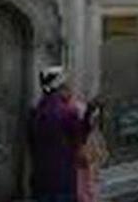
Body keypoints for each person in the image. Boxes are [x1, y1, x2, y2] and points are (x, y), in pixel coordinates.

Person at [29, 67, 96, 202]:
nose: (70, 90)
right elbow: (79, 138)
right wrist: (89, 117)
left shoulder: (36, 111)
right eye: (67, 86)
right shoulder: (68, 112)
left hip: (40, 179)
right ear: (60, 88)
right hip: (62, 179)